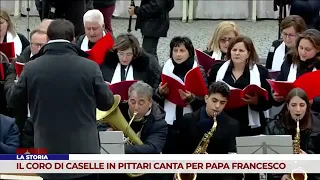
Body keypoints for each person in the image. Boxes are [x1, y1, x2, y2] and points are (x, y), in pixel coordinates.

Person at [6, 19, 114, 180]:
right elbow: (107, 103)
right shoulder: (89, 66)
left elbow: (13, 100)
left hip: (49, 152)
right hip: (84, 152)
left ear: (48, 39)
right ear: (73, 39)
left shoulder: (32, 67)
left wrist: (14, 80)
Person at [208, 35, 272, 180]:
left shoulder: (260, 73)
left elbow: (268, 102)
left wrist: (256, 101)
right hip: (223, 121)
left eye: (241, 50)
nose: (237, 53)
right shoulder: (218, 69)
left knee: (250, 167)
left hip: (249, 124)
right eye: (234, 50)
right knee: (225, 167)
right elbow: (210, 92)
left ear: (249, 53)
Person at [172, 81, 239, 180]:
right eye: (214, 100)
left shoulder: (232, 125)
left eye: (222, 102)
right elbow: (177, 151)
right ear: (206, 98)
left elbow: (232, 165)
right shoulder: (188, 119)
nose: (217, 106)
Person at [101, 81, 167, 180]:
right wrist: (107, 131)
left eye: (141, 102)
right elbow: (99, 125)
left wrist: (118, 148)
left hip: (143, 170)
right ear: (128, 100)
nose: (136, 107)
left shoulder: (159, 123)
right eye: (132, 101)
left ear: (150, 103)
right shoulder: (118, 109)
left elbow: (152, 149)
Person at [154, 36, 207, 155]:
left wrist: (192, 98)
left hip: (190, 121)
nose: (178, 54)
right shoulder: (164, 69)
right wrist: (160, 93)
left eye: (182, 51)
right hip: (169, 121)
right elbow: (153, 96)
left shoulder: (199, 70)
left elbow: (206, 99)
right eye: (175, 50)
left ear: (190, 53)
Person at [265, 88, 320, 180]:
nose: (298, 110)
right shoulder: (274, 126)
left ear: (307, 106)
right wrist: (280, 177)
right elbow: (266, 162)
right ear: (287, 106)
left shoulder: (318, 127)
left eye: (302, 105)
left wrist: (310, 159)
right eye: (293, 105)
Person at [4, 28, 48, 131]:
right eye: (36, 45)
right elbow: (8, 86)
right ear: (30, 44)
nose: (39, 48)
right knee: (25, 147)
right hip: (23, 118)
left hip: (44, 119)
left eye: (43, 45)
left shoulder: (52, 62)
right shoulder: (18, 62)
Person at [274, 29, 320, 112]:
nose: (303, 52)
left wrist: (314, 102)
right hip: (289, 115)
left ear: (318, 50)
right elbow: (280, 82)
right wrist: (276, 96)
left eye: (308, 49)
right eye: (301, 47)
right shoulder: (289, 61)